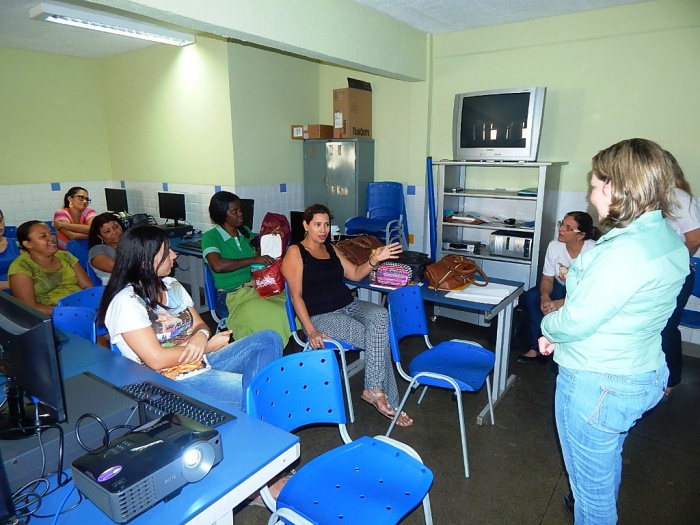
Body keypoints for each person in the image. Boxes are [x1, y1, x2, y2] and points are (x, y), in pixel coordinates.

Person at [538, 138, 688, 524]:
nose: (590, 194)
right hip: (643, 370)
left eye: (594, 185)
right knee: (604, 464)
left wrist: (549, 327)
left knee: (592, 500)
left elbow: (576, 320)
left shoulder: (620, 253)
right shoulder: (667, 237)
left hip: (598, 383)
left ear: (618, 188)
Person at [98, 225, 282, 411]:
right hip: (166, 381)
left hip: (199, 362)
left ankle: (250, 406)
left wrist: (200, 337)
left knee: (268, 339)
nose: (174, 255)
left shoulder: (172, 285)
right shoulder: (126, 302)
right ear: (145, 262)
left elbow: (200, 324)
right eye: (166, 252)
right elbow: (156, 360)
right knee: (264, 395)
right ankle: (253, 407)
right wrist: (207, 346)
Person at [281, 204, 413, 427]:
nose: (323, 230)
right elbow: (296, 297)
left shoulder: (331, 248)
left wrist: (374, 259)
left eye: (326, 225)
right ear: (305, 225)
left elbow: (355, 273)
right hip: (321, 315)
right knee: (378, 340)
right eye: (317, 225)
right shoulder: (296, 252)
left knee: (380, 315)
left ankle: (373, 389)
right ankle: (389, 401)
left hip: (348, 304)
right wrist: (310, 331)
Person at [202, 191, 294, 343]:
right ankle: (275, 350)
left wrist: (272, 238)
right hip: (232, 295)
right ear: (221, 214)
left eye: (240, 210)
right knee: (278, 313)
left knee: (293, 304)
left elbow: (262, 256)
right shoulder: (211, 237)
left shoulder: (245, 232)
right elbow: (217, 265)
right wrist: (254, 259)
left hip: (257, 288)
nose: (240, 214)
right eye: (234, 211)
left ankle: (298, 348)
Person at [518, 211, 597, 363]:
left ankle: (562, 348)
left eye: (568, 228)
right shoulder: (554, 246)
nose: (561, 229)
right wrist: (545, 297)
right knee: (532, 297)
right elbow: (547, 278)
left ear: (580, 235)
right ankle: (536, 347)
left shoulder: (593, 251)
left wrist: (561, 303)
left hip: (584, 293)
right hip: (560, 287)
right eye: (562, 224)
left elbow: (592, 291)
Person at [660, 150, 700, 398]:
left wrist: (677, 262)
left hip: (675, 275)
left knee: (666, 326)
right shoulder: (655, 196)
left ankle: (671, 380)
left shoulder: (678, 196)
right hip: (658, 274)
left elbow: (695, 238)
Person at [8, 220, 93, 316]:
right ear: (28, 244)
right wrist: (69, 312)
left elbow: (88, 287)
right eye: (43, 236)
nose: (52, 238)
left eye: (51, 233)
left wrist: (87, 308)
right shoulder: (21, 267)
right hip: (52, 316)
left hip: (82, 308)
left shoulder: (65, 256)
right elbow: (29, 307)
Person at [88, 212, 125, 285]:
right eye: (107, 231)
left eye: (116, 227)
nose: (114, 232)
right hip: (116, 288)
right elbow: (116, 267)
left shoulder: (132, 243)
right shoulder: (97, 250)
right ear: (99, 236)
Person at [0, 209, 20, 291]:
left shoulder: (16, 244)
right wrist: (15, 284)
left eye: (0, 220)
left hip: (20, 292)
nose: (0, 226)